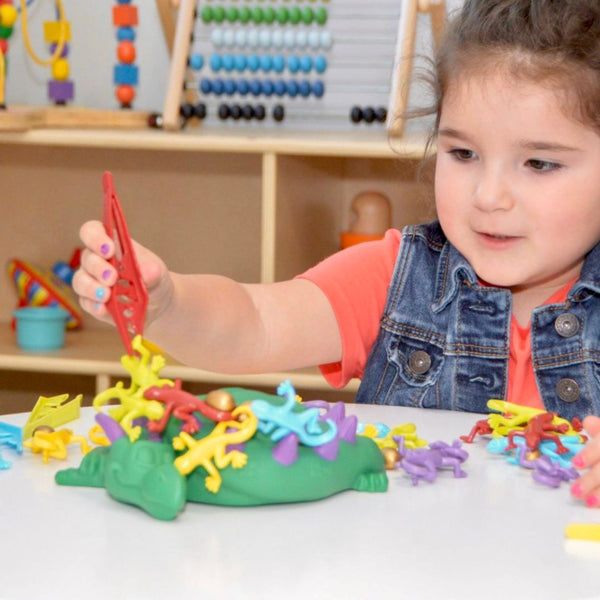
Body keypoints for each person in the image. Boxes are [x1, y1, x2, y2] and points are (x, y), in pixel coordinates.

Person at [74, 0, 600, 507]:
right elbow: (254, 323)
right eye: (462, 153)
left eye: (538, 164)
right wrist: (168, 303)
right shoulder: (395, 276)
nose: (488, 196)